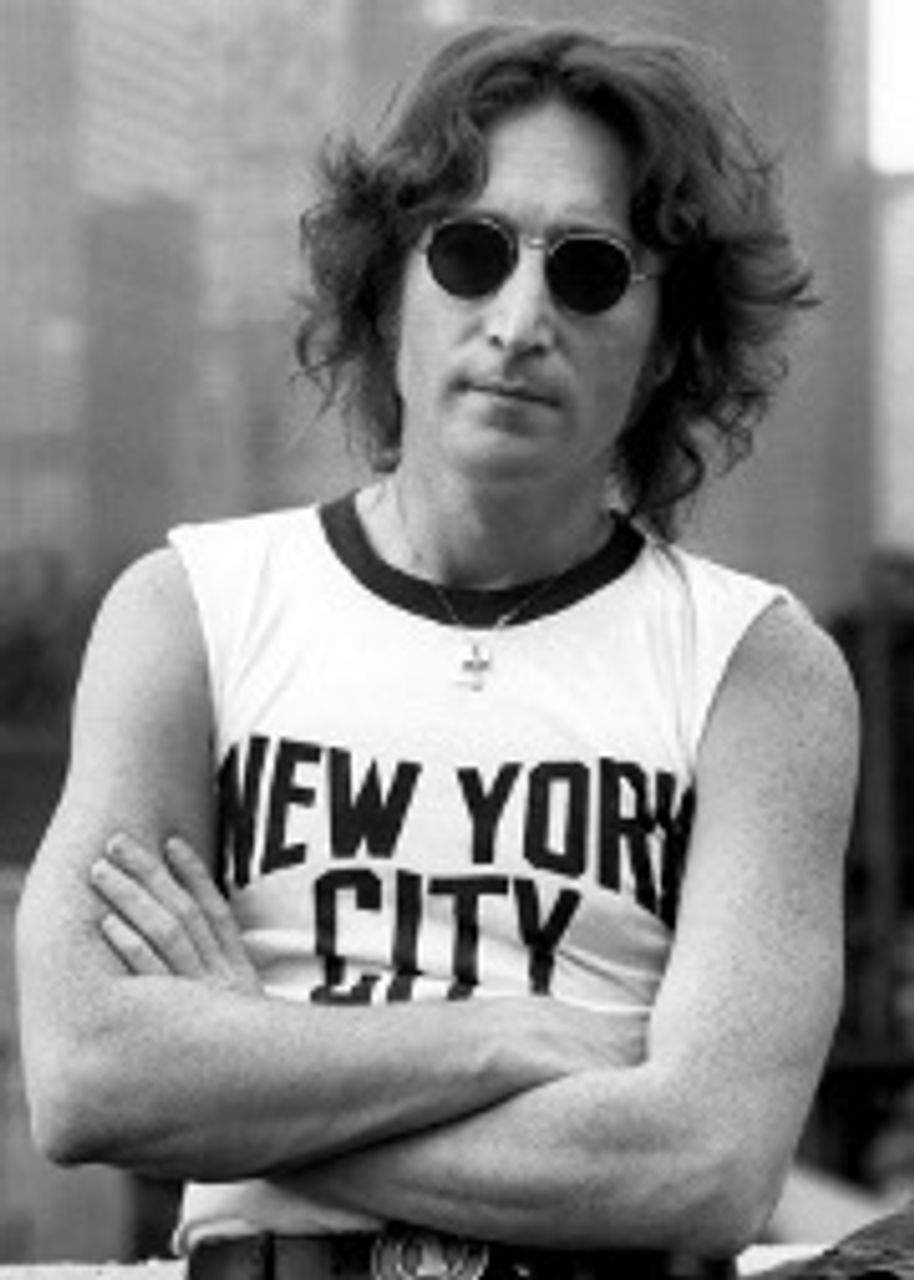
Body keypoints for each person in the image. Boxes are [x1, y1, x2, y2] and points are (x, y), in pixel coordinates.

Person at [15, 19, 859, 1280]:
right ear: (387, 288)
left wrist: (245, 1075)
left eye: (588, 272)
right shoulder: (189, 609)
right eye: (469, 251)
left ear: (668, 342)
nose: (518, 320)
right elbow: (89, 1074)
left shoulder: (757, 670)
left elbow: (702, 1165)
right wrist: (502, 1036)